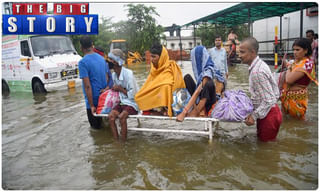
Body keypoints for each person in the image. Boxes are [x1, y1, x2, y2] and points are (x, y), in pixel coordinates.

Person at [239, 37, 282, 142]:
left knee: (266, 150)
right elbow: (275, 93)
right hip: (271, 112)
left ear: (252, 52)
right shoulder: (260, 64)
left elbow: (269, 100)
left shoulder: (257, 72)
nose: (239, 56)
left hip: (269, 116)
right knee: (267, 145)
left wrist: (253, 116)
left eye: (242, 52)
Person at [134, 43, 185, 117]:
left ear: (161, 57)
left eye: (154, 57)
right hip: (157, 104)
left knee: (165, 86)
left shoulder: (171, 68)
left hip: (172, 104)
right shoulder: (154, 70)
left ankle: (165, 110)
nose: (151, 60)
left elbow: (177, 87)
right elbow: (148, 86)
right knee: (139, 97)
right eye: (151, 56)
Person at [176, 45, 225, 122]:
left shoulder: (208, 70)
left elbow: (198, 91)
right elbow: (198, 89)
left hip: (211, 99)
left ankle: (198, 111)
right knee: (187, 77)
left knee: (208, 83)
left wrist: (184, 112)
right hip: (202, 94)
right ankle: (196, 107)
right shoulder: (202, 71)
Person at [78, 36, 112, 129]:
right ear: (92, 45)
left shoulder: (83, 62)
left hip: (93, 99)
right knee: (107, 127)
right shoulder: (102, 59)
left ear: (81, 47)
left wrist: (92, 105)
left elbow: (87, 86)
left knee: (96, 130)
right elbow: (107, 77)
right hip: (104, 98)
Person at [280, 38, 318, 120]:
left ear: (306, 50)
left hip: (297, 98)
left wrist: (289, 67)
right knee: (286, 123)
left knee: (298, 123)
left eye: (298, 50)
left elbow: (289, 79)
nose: (295, 52)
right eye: (293, 50)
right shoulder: (296, 62)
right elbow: (290, 67)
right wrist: (287, 63)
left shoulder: (307, 64)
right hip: (286, 96)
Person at [107, 49, 139, 141]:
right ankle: (116, 142)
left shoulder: (128, 74)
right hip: (122, 102)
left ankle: (123, 143)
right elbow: (114, 89)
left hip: (132, 103)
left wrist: (120, 89)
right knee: (111, 117)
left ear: (117, 62)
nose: (109, 62)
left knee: (122, 117)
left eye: (111, 60)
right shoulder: (113, 75)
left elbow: (133, 95)